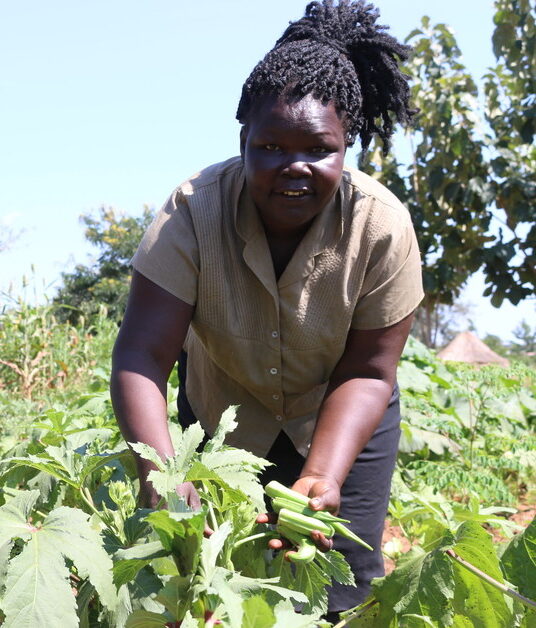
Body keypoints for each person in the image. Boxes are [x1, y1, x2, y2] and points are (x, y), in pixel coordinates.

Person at [111, 0, 424, 619]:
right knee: (215, 581)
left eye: (319, 148)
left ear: (346, 146)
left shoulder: (381, 226)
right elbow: (144, 355)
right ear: (243, 141)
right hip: (222, 421)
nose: (295, 167)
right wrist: (164, 473)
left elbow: (367, 372)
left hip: (337, 425)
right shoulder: (191, 213)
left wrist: (324, 476)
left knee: (338, 587)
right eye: (271, 146)